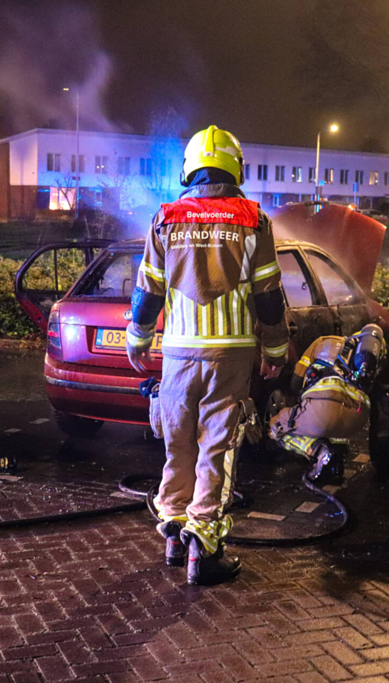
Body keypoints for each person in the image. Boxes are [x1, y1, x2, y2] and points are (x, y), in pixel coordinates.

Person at [126, 125, 290, 586]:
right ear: (235, 167)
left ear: (190, 169)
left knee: (176, 443)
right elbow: (269, 294)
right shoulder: (254, 220)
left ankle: (174, 534)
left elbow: (147, 291)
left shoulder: (165, 218)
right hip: (231, 355)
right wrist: (275, 347)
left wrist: (138, 340)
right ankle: (206, 546)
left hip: (178, 354)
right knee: (216, 448)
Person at [269, 325, 385, 486]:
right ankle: (335, 464)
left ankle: (317, 451)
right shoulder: (360, 352)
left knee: (276, 426)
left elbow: (296, 382)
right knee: (333, 423)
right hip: (358, 418)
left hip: (324, 411)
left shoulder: (321, 342)